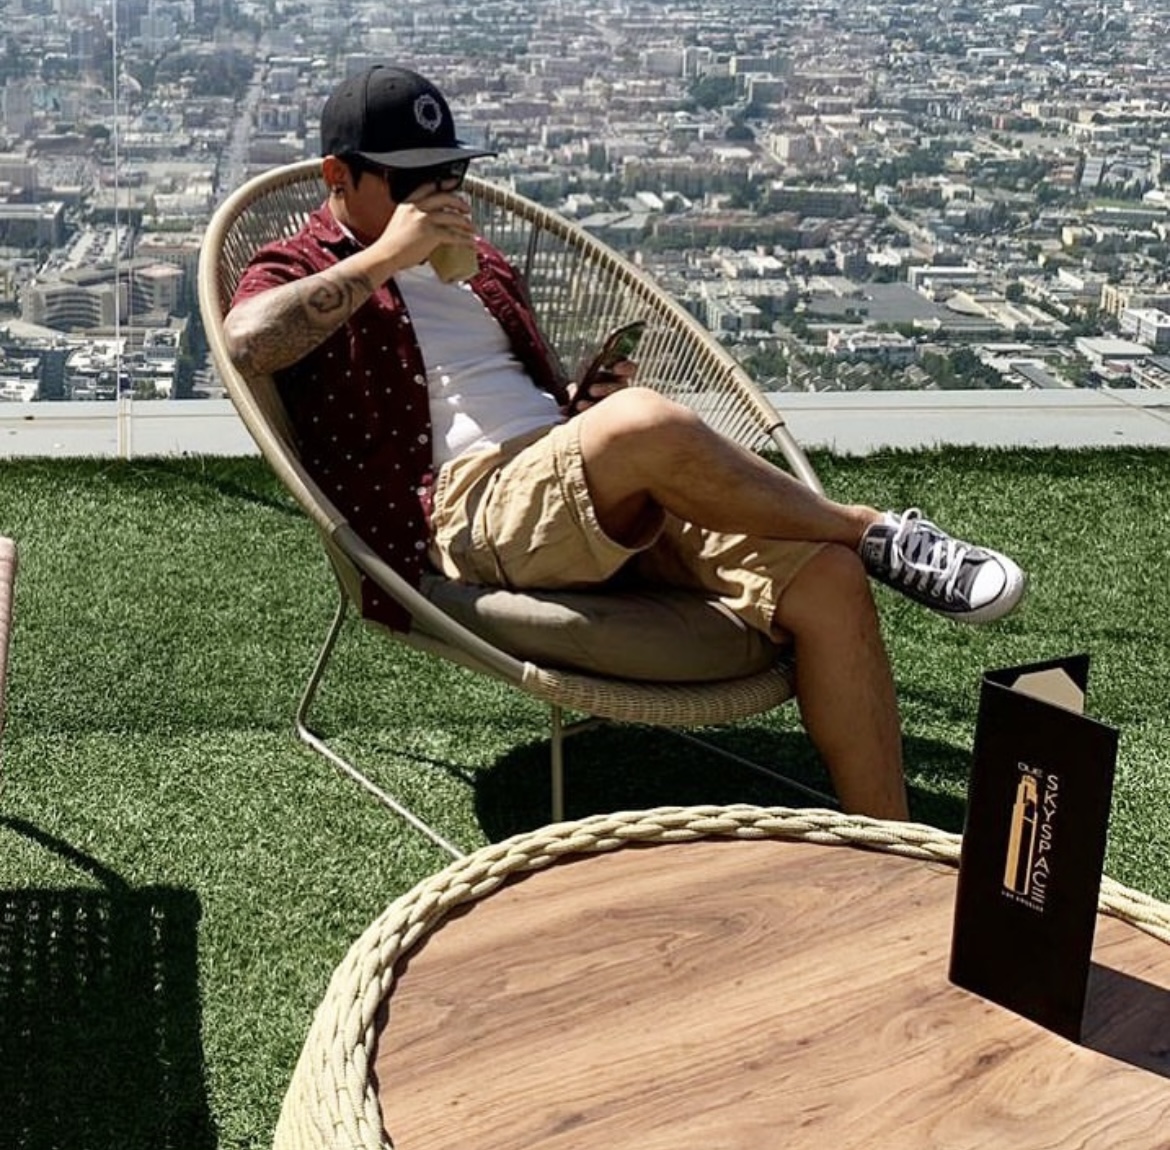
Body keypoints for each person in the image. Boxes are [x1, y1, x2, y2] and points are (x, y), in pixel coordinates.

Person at [224, 64, 1026, 822]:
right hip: (463, 511)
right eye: (411, 180)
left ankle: (889, 845)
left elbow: (510, 397)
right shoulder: (304, 263)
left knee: (827, 577)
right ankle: (872, 529)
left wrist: (584, 409)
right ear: (338, 177)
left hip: (562, 481)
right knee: (644, 423)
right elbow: (249, 341)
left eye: (451, 173)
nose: (438, 195)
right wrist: (385, 258)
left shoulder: (483, 267)